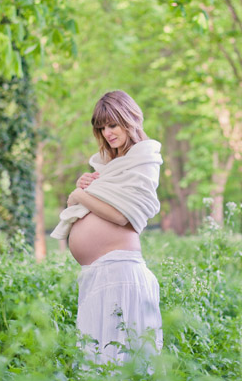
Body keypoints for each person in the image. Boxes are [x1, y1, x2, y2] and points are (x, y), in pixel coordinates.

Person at [50, 90, 164, 368]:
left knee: (116, 360)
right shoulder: (109, 166)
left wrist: (79, 196)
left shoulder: (142, 160)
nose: (108, 133)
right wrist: (83, 188)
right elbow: (96, 201)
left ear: (129, 119)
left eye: (112, 124)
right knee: (98, 358)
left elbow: (123, 216)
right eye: (102, 128)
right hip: (99, 275)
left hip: (119, 272)